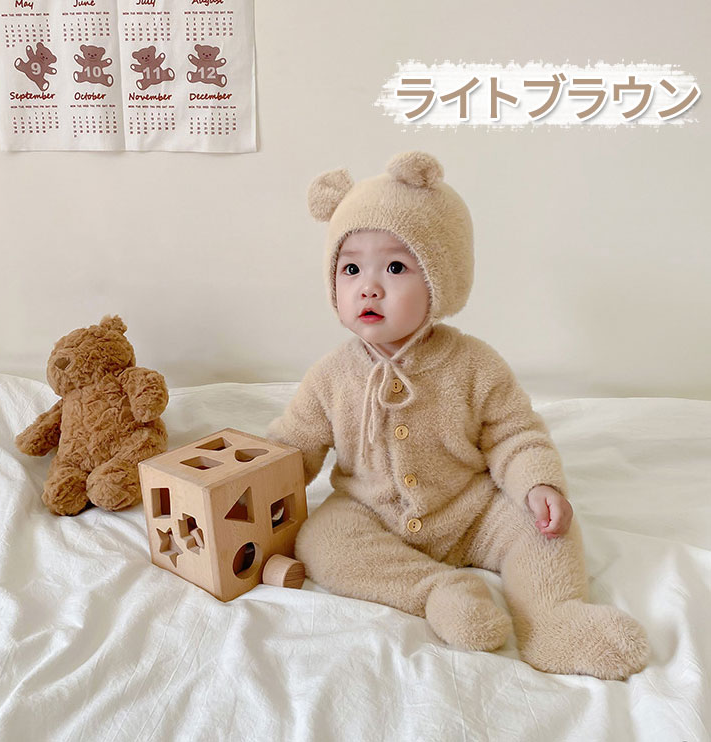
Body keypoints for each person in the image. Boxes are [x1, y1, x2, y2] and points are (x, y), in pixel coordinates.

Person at [266, 151, 649, 680]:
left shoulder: (473, 364)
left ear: (440, 279)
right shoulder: (331, 376)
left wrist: (537, 484)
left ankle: (553, 622)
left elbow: (514, 433)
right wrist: (248, 479)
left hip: (471, 513)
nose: (369, 287)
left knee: (546, 528)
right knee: (321, 541)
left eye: (395, 267)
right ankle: (438, 592)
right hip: (372, 513)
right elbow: (293, 447)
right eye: (351, 268)